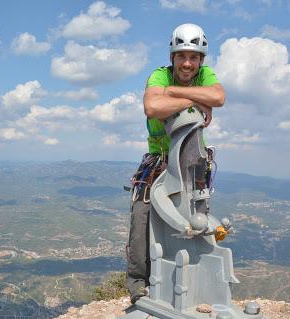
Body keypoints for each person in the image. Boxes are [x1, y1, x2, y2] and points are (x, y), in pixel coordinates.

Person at [125, 23, 225, 304]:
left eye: (193, 57)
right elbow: (152, 107)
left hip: (193, 162)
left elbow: (218, 97)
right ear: (173, 57)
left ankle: (196, 280)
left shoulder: (205, 74)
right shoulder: (159, 75)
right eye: (182, 56)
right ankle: (138, 284)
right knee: (142, 219)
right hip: (159, 162)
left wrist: (173, 94)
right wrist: (193, 99)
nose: (188, 63)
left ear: (201, 60)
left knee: (197, 218)